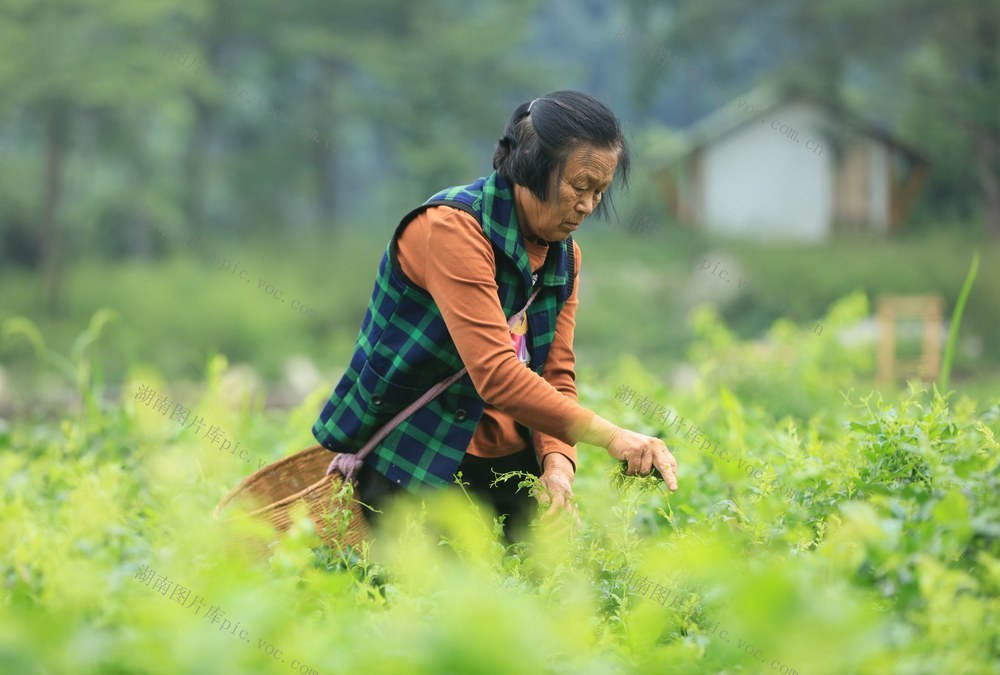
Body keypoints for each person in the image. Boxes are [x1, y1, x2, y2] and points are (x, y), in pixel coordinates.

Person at [312, 90, 678, 539]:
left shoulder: (566, 258)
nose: (587, 205)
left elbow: (554, 374)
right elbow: (496, 373)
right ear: (531, 168)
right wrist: (612, 436)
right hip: (419, 463)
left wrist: (558, 467)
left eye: (599, 192)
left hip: (508, 469)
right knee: (427, 604)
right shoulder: (451, 230)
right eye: (579, 186)